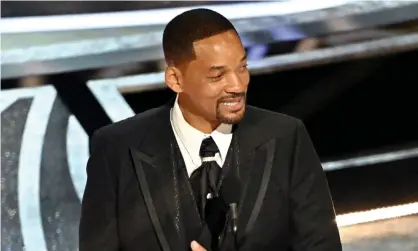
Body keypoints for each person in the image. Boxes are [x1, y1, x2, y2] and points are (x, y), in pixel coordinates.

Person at [79, 8, 342, 251]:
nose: (237, 85)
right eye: (217, 76)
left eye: (242, 67)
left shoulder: (286, 137)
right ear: (175, 79)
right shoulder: (116, 149)